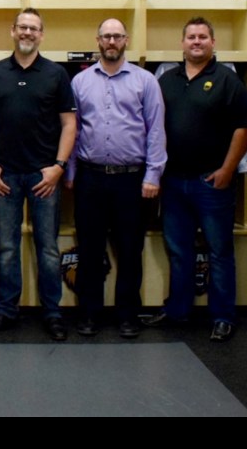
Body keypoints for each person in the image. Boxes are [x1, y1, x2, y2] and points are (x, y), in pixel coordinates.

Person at [146, 17, 247, 342]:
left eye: (203, 37)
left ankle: (223, 317)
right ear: (182, 43)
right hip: (174, 181)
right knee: (179, 250)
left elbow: (243, 129)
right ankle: (178, 310)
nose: (196, 41)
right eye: (191, 36)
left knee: (219, 251)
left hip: (212, 182)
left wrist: (227, 169)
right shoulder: (166, 80)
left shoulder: (226, 79)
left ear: (213, 43)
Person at [0, 8, 77, 341]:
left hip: (43, 177)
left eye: (34, 28)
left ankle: (52, 313)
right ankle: (6, 312)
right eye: (23, 27)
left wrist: (58, 167)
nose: (28, 33)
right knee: (6, 248)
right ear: (13, 31)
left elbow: (69, 124)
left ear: (42, 34)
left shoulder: (56, 74)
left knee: (47, 248)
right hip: (5, 177)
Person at [67, 18, 166, 339]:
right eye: (106, 36)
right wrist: (69, 172)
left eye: (117, 36)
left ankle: (128, 315)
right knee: (90, 250)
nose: (112, 41)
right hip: (90, 178)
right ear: (97, 40)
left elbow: (156, 131)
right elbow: (73, 130)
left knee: (129, 249)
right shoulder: (80, 82)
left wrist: (153, 174)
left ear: (126, 40)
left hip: (132, 181)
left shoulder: (146, 81)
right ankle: (89, 314)